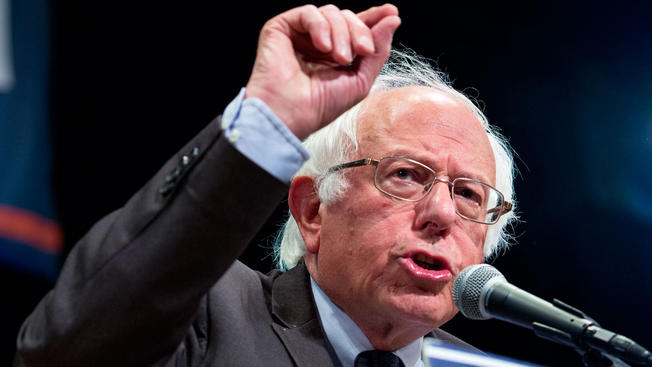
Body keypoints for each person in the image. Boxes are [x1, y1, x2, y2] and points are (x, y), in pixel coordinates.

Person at [15, 3, 517, 367]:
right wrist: (268, 120)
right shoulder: (206, 317)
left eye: (469, 194)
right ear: (314, 211)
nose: (442, 213)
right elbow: (72, 346)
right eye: (405, 175)